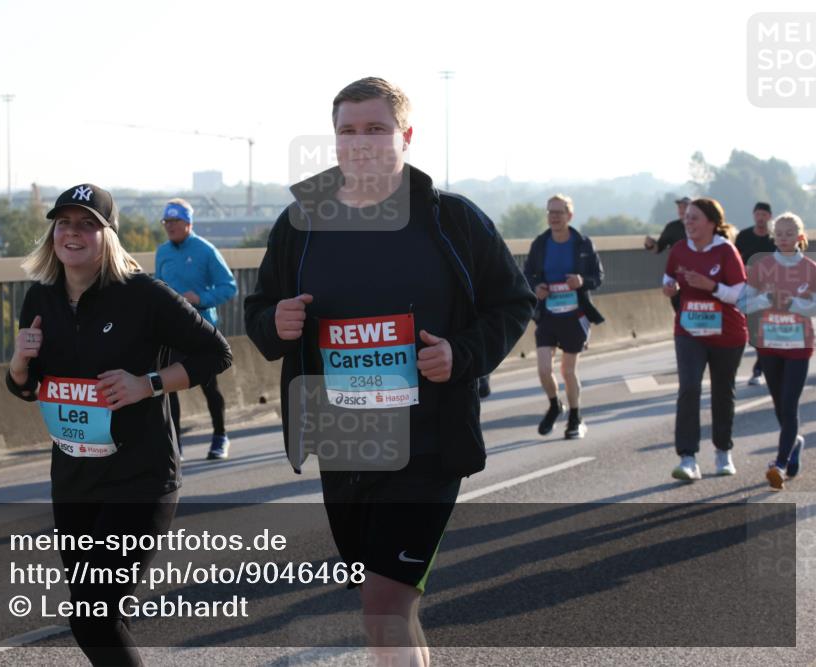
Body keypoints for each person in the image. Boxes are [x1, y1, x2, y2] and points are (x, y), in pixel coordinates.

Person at [243, 77, 534, 667]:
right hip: (343, 439)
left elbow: (513, 301)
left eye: (375, 129)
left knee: (383, 603)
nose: (360, 143)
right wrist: (277, 321)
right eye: (347, 131)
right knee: (390, 607)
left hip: (428, 438)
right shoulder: (300, 222)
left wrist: (461, 355)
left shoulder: (451, 219)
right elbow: (259, 311)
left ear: (406, 135)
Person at [6, 184, 232, 666]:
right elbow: (28, 387)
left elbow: (217, 353)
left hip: (140, 478)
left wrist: (147, 384)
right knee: (103, 615)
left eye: (87, 224)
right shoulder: (40, 298)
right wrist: (19, 363)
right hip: (74, 480)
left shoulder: (142, 295)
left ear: (107, 235)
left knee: (92, 616)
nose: (73, 233)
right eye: (64, 223)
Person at [662, 197, 746, 481]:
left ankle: (723, 452)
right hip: (689, 331)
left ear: (711, 222)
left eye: (694, 217)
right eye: (686, 217)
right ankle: (687, 458)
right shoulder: (679, 249)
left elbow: (740, 294)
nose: (688, 222)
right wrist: (670, 287)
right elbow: (667, 278)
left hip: (726, 333)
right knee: (689, 388)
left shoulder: (726, 250)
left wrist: (712, 286)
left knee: (722, 392)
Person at [155, 198, 238, 460]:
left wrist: (200, 298)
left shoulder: (206, 250)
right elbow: (158, 287)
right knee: (168, 388)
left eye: (175, 221)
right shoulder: (162, 252)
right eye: (166, 221)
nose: (170, 226)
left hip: (202, 330)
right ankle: (175, 444)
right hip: (171, 332)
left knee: (209, 387)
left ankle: (220, 436)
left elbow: (229, 286)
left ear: (188, 223)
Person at [523, 194, 605, 439]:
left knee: (568, 371)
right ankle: (555, 405)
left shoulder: (582, 243)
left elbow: (598, 277)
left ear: (570, 215)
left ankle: (575, 417)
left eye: (559, 212)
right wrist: (536, 287)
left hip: (575, 314)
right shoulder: (540, 244)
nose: (554, 217)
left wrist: (581, 281)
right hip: (548, 314)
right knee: (543, 369)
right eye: (550, 212)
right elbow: (527, 275)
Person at [742, 212, 813, 489]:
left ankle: (780, 465)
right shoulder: (762, 266)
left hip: (798, 345)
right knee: (779, 406)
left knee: (789, 404)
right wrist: (766, 299)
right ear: (773, 237)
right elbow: (743, 303)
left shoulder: (810, 268)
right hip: (769, 344)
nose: (783, 238)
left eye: (789, 233)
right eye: (779, 233)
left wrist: (792, 303)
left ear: (799, 236)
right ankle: (795, 444)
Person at [736, 202, 777, 385]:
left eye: (764, 215)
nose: (760, 218)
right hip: (747, 289)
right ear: (754, 215)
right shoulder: (743, 236)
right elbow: (734, 259)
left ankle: (758, 370)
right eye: (758, 214)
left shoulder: (775, 238)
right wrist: (744, 269)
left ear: (769, 217)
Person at [645, 196, 691, 312]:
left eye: (685, 207)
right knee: (679, 309)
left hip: (698, 275)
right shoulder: (672, 227)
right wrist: (650, 244)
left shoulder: (703, 227)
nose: (681, 210)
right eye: (679, 207)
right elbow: (658, 248)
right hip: (677, 276)